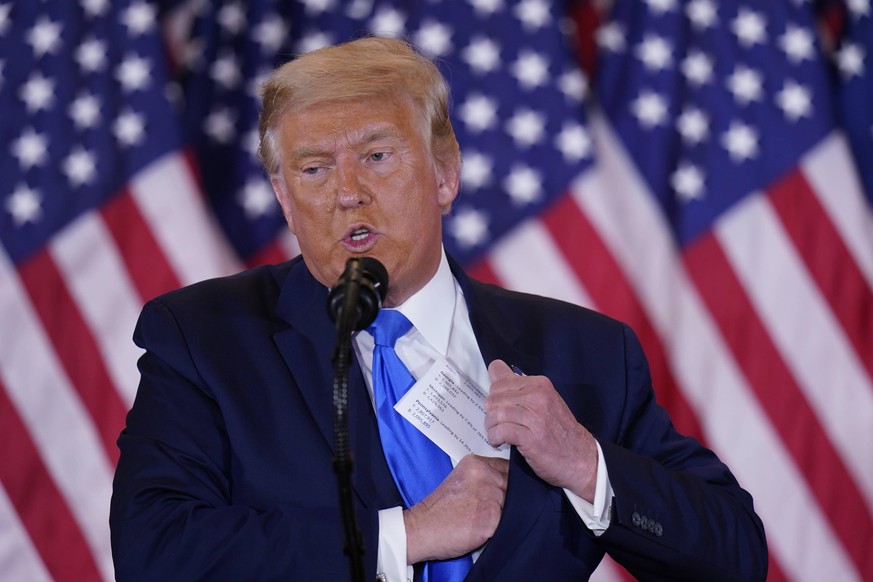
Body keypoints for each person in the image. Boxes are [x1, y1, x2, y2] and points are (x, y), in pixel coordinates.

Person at [110, 36, 767, 581]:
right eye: (313, 170)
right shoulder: (206, 339)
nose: (347, 193)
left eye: (376, 156)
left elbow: (734, 554)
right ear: (282, 197)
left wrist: (584, 462)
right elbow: (156, 550)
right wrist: (406, 535)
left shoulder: (582, 352)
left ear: (444, 175)